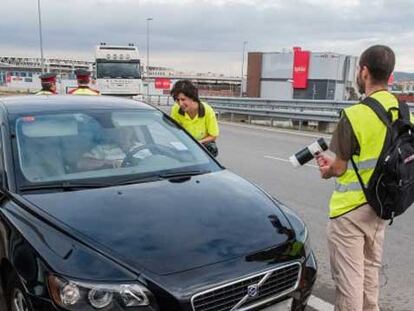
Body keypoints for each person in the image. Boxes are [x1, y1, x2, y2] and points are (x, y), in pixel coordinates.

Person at [316, 45, 408, 310]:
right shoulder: (403, 111)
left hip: (350, 211)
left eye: (359, 69)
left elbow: (340, 168)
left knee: (349, 285)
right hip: (382, 206)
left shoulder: (354, 115)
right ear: (390, 76)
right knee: (369, 275)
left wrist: (327, 169)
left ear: (364, 72)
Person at [170, 80, 219, 156]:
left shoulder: (207, 111)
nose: (180, 104)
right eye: (177, 100)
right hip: (185, 144)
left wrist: (197, 143)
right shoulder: (175, 109)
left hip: (202, 144)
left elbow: (213, 136)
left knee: (211, 148)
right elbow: (174, 131)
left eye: (183, 99)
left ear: (192, 97)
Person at [77, 127, 149, 171]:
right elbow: (81, 164)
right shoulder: (103, 149)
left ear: (132, 132)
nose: (123, 134)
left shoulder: (142, 147)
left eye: (126, 130)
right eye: (120, 130)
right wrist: (109, 162)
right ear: (114, 133)